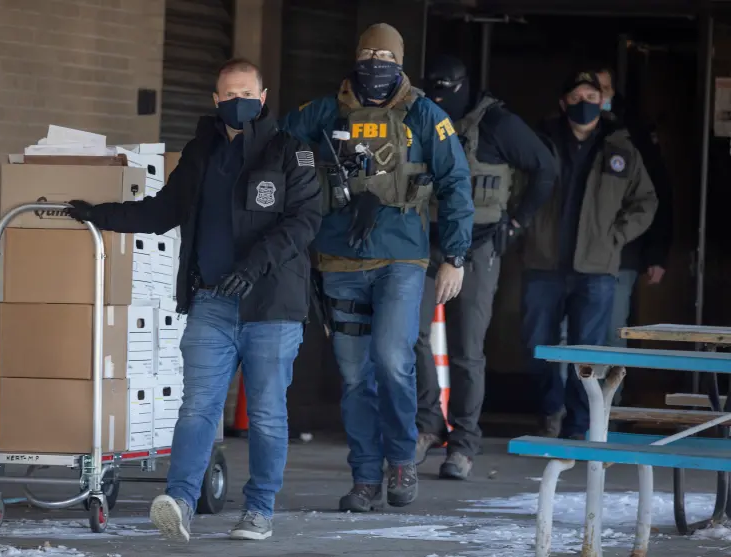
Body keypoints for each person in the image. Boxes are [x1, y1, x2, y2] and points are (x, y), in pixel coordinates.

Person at [66, 58, 322, 542]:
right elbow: (164, 211)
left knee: (267, 412)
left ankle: (259, 511)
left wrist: (253, 267)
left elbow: (304, 223)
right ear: (215, 100)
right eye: (228, 95)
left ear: (263, 98)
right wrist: (98, 215)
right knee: (197, 407)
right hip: (212, 303)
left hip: (272, 308)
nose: (236, 102)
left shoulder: (292, 152)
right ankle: (179, 502)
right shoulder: (201, 153)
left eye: (246, 93)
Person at [281, 24, 473, 511]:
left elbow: (455, 184)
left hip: (402, 259)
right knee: (353, 376)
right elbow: (277, 153)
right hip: (339, 259)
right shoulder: (323, 113)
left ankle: (402, 460)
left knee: (391, 359)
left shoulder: (426, 115)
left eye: (386, 54)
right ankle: (365, 477)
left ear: (401, 61)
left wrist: (454, 257)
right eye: (367, 51)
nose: (375, 60)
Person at [413, 55, 557, 479]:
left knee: (467, 349)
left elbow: (545, 168)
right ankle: (426, 424)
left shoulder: (498, 124)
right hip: (424, 241)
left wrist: (516, 223)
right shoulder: (420, 116)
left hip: (477, 245)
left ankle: (463, 443)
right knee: (411, 338)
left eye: (447, 92)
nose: (440, 100)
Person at [522, 71, 657, 439]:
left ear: (604, 103)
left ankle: (579, 424)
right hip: (543, 263)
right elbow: (515, 186)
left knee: (589, 352)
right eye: (578, 95)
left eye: (592, 96)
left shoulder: (621, 148)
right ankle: (550, 409)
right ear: (564, 102)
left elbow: (646, 201)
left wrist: (616, 236)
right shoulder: (540, 142)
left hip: (596, 268)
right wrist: (522, 226)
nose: (585, 103)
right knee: (539, 346)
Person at [596, 67, 673, 358]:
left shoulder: (633, 135)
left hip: (621, 251)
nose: (597, 96)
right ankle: (576, 403)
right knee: (571, 336)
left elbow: (657, 195)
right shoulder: (570, 133)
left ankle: (612, 401)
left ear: (613, 93)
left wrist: (656, 252)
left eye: (603, 89)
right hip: (576, 256)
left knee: (614, 331)